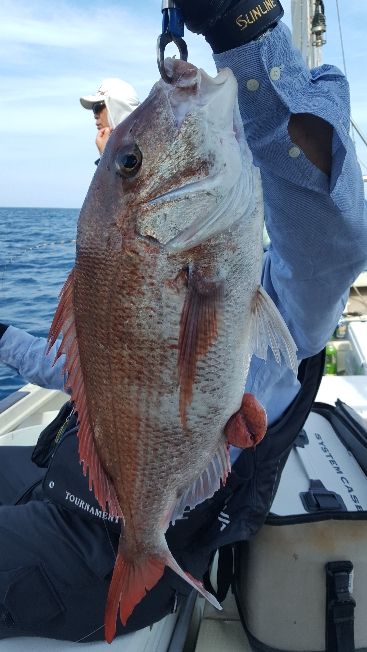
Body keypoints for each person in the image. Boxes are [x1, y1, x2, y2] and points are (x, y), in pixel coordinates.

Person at [0, 0, 366, 642]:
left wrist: (246, 32)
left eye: (127, 161)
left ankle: (143, 559)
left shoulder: (288, 286)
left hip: (100, 544)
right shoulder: (172, 258)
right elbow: (96, 370)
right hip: (66, 475)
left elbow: (333, 229)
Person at [79, 77, 140, 161]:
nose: (95, 115)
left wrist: (107, 153)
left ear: (118, 107)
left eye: (98, 107)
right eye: (94, 109)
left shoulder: (142, 148)